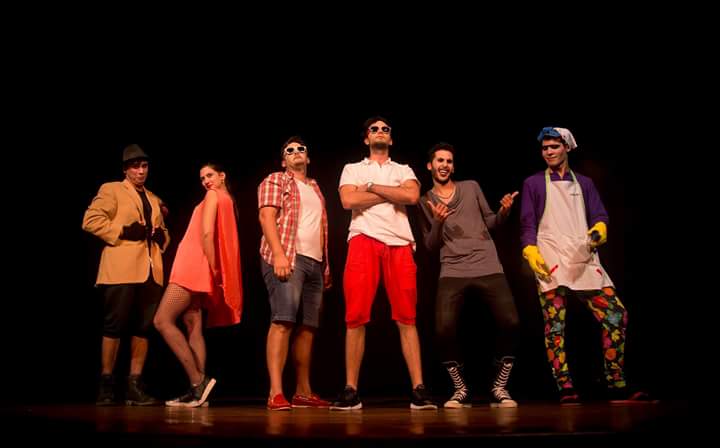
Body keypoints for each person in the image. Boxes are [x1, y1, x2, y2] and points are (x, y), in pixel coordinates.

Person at [520, 127, 651, 404]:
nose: (549, 152)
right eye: (545, 148)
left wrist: (599, 229)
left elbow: (599, 214)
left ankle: (615, 382)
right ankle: (565, 386)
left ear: (567, 147)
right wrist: (530, 249)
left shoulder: (585, 183)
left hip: (582, 256)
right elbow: (528, 223)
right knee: (555, 325)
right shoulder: (533, 183)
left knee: (616, 315)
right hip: (551, 258)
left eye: (554, 146)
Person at [332, 116, 436, 410]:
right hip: (362, 239)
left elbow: (412, 195)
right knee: (355, 316)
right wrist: (391, 193)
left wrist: (370, 188)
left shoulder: (403, 169)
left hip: (399, 244)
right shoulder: (352, 168)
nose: (380, 131)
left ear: (391, 139)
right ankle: (351, 390)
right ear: (367, 138)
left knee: (407, 317)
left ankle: (419, 389)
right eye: (374, 129)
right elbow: (348, 201)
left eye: (385, 129)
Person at [418, 142, 521, 408]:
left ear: (453, 166)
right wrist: (438, 221)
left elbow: (491, 221)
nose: (445, 165)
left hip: (487, 264)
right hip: (453, 269)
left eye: (449, 161)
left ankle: (499, 385)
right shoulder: (425, 200)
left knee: (511, 322)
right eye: (440, 160)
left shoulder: (471, 187)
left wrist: (504, 211)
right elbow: (430, 246)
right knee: (443, 328)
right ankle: (460, 388)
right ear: (430, 165)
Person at [82, 144, 169, 406]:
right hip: (121, 269)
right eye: (135, 166)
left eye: (144, 166)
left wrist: (162, 237)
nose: (141, 171)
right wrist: (122, 231)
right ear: (125, 169)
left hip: (151, 270)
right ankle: (106, 385)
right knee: (115, 326)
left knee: (142, 328)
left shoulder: (153, 198)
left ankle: (134, 386)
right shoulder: (112, 189)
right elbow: (90, 220)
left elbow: (163, 232)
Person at [153, 162, 243, 408]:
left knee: (162, 321)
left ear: (222, 175)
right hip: (200, 264)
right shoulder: (229, 200)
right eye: (202, 178)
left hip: (192, 264)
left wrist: (213, 268)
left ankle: (197, 380)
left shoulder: (213, 195)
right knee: (193, 324)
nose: (206, 181)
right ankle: (198, 392)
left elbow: (206, 234)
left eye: (210, 175)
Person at [258, 136, 332, 411]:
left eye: (301, 148)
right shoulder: (276, 180)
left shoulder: (315, 187)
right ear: (283, 160)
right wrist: (279, 254)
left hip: (314, 261)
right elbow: (266, 217)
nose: (296, 152)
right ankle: (276, 392)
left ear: (308, 157)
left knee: (309, 327)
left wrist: (325, 265)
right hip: (288, 257)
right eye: (290, 150)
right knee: (283, 320)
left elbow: (319, 227)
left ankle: (303, 392)